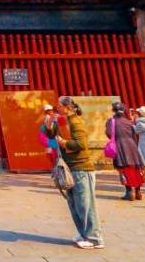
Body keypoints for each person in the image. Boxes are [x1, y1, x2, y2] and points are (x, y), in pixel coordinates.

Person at [46, 96, 104, 250]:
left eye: (59, 105)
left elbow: (81, 144)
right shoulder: (63, 121)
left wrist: (63, 143)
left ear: (68, 107)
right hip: (70, 168)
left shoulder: (76, 122)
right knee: (74, 203)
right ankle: (83, 233)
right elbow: (52, 136)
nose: (56, 107)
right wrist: (48, 124)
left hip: (81, 168)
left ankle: (94, 238)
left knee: (85, 205)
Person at [107, 102, 145, 201]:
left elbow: (109, 133)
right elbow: (134, 135)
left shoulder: (112, 121)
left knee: (124, 168)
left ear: (113, 110)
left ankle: (129, 192)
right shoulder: (129, 122)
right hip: (132, 145)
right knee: (136, 168)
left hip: (120, 145)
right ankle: (138, 191)